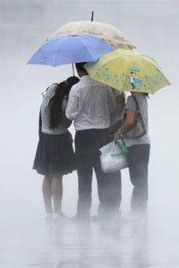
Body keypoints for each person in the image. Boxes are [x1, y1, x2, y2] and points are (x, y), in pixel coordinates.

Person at [65, 63, 124, 221]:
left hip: (83, 137)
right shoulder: (104, 86)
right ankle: (105, 212)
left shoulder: (76, 88)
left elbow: (70, 114)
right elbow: (113, 109)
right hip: (103, 135)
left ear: (78, 69)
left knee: (84, 177)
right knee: (103, 174)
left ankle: (83, 214)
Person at [33, 76, 80, 220]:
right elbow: (66, 124)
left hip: (45, 137)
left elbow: (41, 113)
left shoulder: (51, 90)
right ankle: (58, 211)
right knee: (57, 176)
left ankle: (48, 211)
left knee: (47, 175)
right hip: (59, 139)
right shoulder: (66, 102)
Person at [113, 91, 151, 216]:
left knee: (137, 181)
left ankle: (137, 212)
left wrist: (118, 131)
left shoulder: (132, 99)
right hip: (145, 143)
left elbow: (129, 121)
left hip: (134, 144)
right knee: (142, 180)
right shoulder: (144, 98)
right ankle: (141, 211)